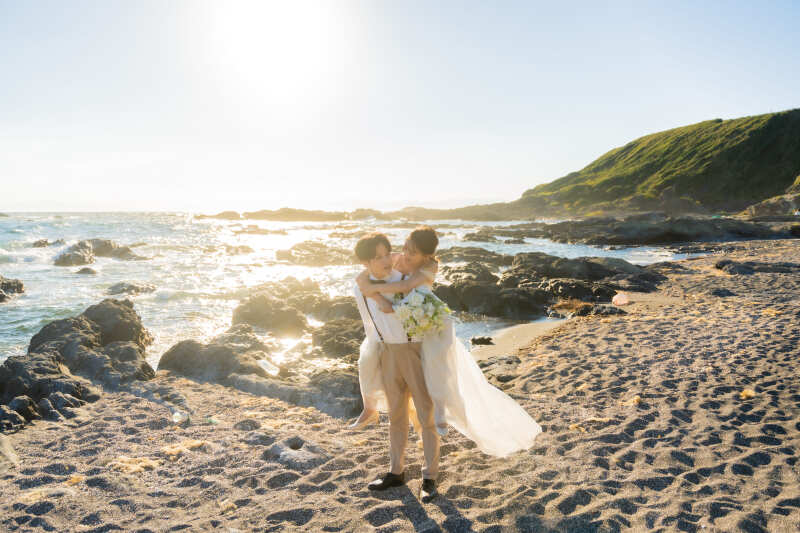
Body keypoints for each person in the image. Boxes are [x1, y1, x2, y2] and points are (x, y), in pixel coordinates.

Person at [358, 226, 543, 458]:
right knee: (396, 372)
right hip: (412, 327)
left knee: (439, 367)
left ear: (426, 256)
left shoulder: (428, 267)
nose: (405, 254)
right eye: (405, 247)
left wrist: (373, 289)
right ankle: (375, 409)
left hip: (434, 324)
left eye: (412, 252)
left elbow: (404, 287)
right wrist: (373, 293)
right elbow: (362, 277)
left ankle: (441, 414)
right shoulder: (395, 258)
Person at [350, 232, 440, 502]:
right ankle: (396, 472)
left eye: (387, 253)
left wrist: (378, 293)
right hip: (387, 352)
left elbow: (424, 288)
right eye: (378, 257)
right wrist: (374, 294)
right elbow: (370, 319)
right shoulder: (360, 287)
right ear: (366, 262)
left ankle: (430, 477)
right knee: (396, 415)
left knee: (426, 415)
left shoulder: (405, 279)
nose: (386, 260)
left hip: (414, 350)